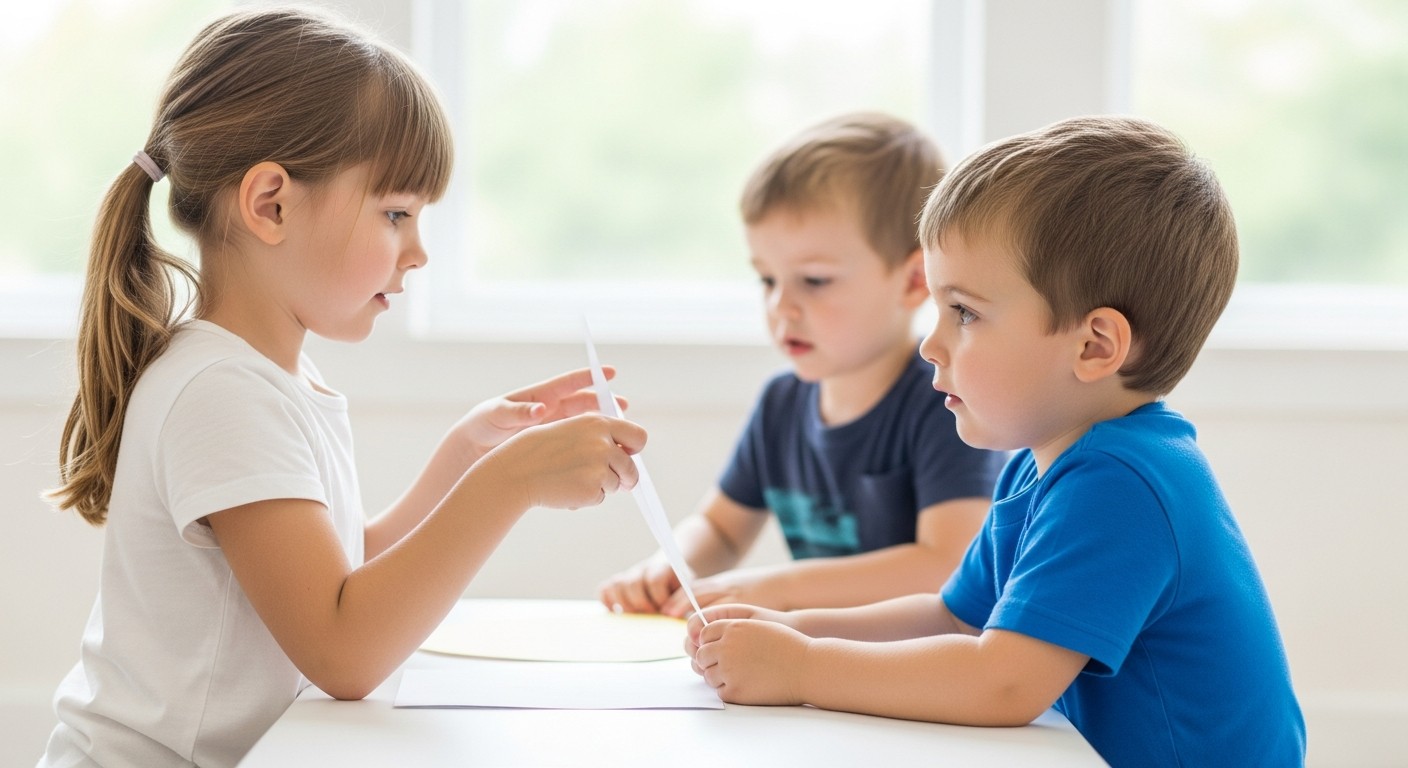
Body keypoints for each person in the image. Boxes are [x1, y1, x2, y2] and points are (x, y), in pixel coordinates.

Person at [39, 9, 645, 768]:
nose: (418, 251)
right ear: (271, 204)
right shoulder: (221, 392)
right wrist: (509, 482)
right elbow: (342, 650)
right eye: (396, 213)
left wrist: (465, 453)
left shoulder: (265, 376)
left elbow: (337, 576)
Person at [685, 116, 1306, 767]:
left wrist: (804, 668)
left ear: (1093, 346)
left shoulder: (1123, 483)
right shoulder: (1041, 466)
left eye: (965, 313)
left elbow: (1001, 680)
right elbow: (955, 618)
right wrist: (794, 629)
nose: (931, 344)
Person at [598, 114, 1005, 618]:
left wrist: (776, 590)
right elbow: (722, 527)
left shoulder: (947, 401)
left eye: (814, 281)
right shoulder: (781, 404)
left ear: (914, 281)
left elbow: (945, 563)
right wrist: (669, 564)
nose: (781, 307)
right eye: (767, 280)